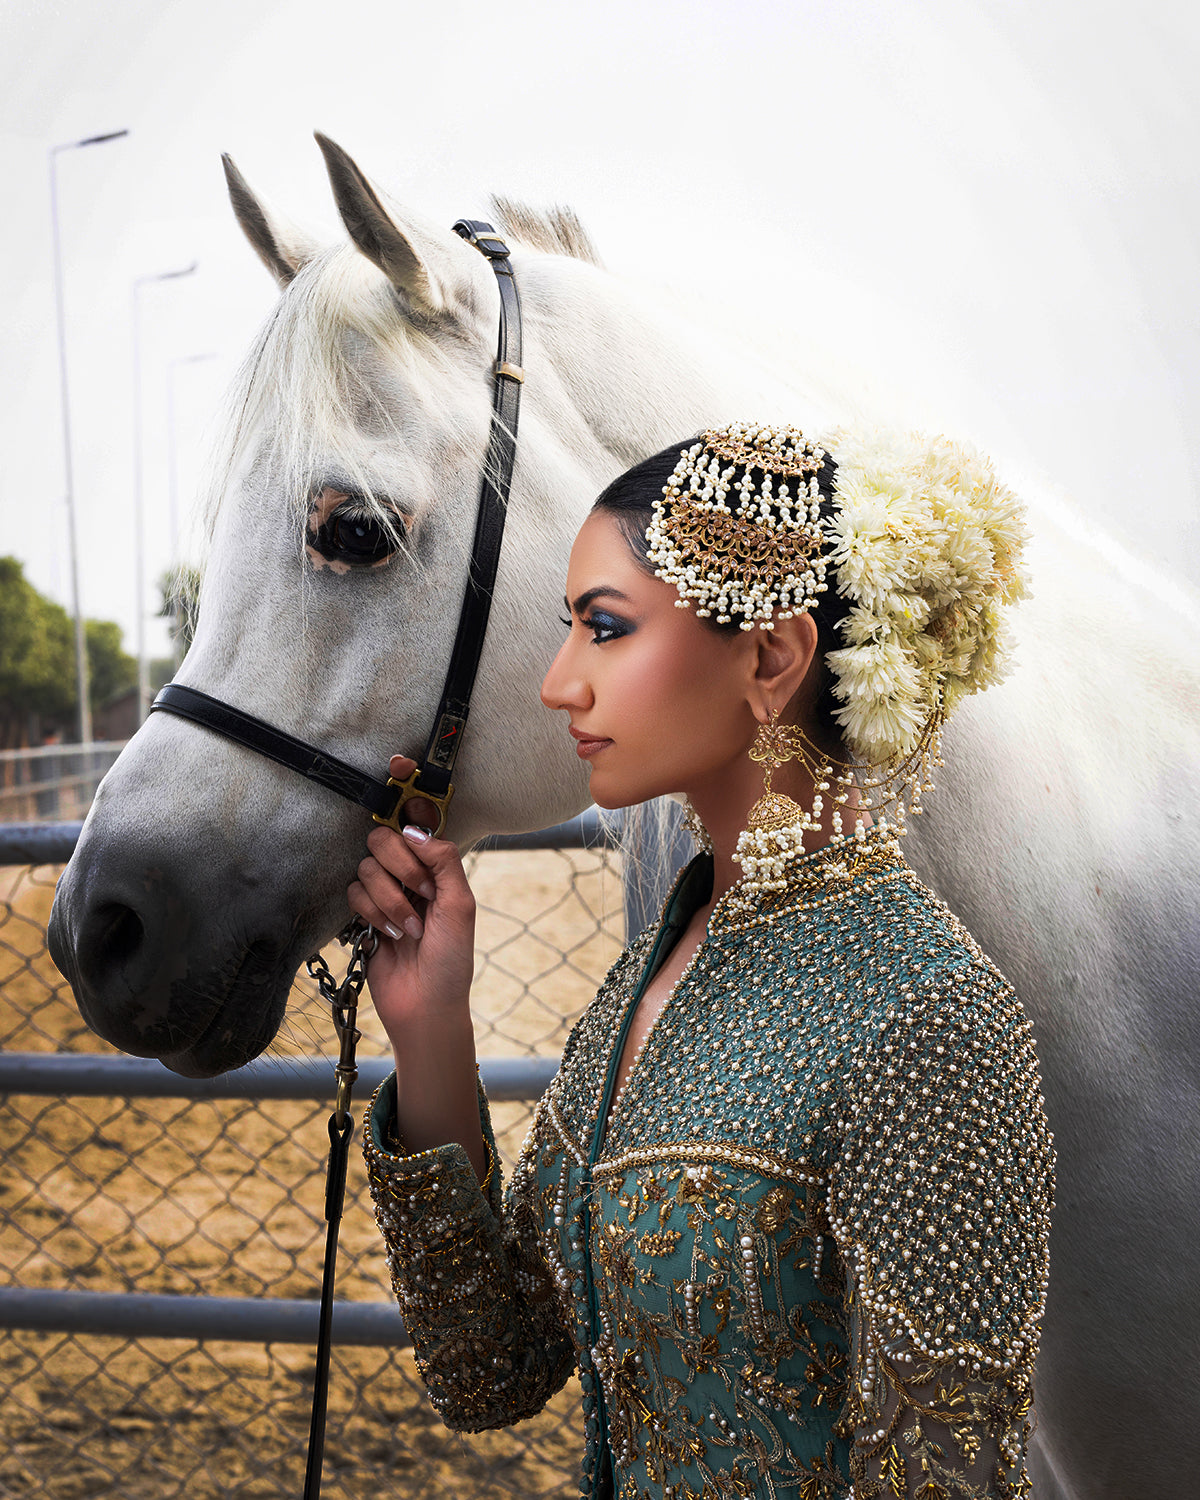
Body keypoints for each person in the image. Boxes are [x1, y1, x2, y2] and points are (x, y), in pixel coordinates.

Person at [349, 421, 1055, 1500]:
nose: (557, 683)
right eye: (569, 628)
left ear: (770, 658)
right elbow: (489, 1367)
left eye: (605, 628)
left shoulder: (930, 1021)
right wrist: (431, 1025)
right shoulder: (659, 968)